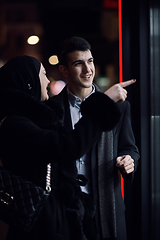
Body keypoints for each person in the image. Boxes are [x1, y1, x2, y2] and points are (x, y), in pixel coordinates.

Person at [0, 55, 123, 240]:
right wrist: (103, 103)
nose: (48, 80)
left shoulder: (28, 121)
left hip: (48, 220)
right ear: (29, 83)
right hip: (40, 226)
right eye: (42, 74)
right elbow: (67, 147)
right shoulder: (14, 124)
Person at [54, 36, 140, 240]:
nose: (87, 69)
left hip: (105, 205)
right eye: (78, 63)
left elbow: (129, 148)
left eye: (90, 61)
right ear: (64, 70)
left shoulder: (119, 106)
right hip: (65, 208)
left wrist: (128, 160)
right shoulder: (53, 109)